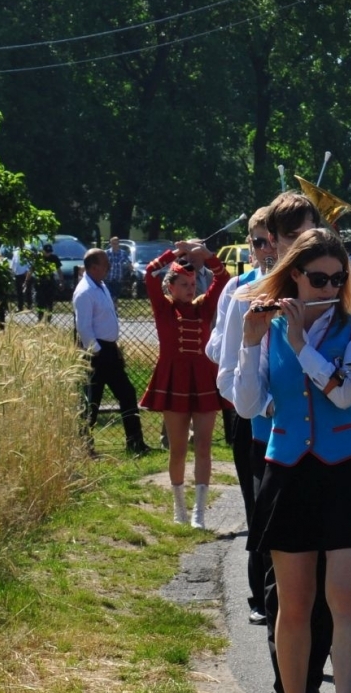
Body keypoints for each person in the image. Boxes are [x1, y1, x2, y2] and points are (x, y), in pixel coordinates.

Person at [234, 228, 351, 693]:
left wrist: (302, 345)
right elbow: (248, 405)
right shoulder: (262, 321)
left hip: (346, 469)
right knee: (293, 601)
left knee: (346, 596)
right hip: (287, 468)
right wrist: (252, 344)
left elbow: (346, 395)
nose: (328, 287)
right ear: (294, 274)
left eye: (337, 278)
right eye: (318, 277)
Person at [207, 209, 276, 624]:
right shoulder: (238, 288)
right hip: (251, 416)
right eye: (259, 243)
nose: (267, 250)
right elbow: (218, 350)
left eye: (274, 241)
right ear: (250, 248)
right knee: (257, 509)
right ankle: (259, 594)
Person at [142, 238, 230, 528]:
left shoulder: (203, 307)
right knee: (177, 448)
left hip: (204, 379)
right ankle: (179, 507)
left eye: (193, 286)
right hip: (174, 381)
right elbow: (149, 273)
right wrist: (176, 252)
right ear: (171, 286)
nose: (191, 290)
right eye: (184, 285)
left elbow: (223, 277)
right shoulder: (164, 307)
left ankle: (199, 513)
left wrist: (207, 254)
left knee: (203, 446)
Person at [72, 247, 152, 454]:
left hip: (108, 349)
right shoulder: (84, 291)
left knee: (127, 393)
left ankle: (135, 442)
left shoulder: (101, 286)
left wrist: (112, 347)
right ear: (93, 266)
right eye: (105, 263)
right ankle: (84, 448)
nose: (109, 267)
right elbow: (83, 327)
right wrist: (97, 350)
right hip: (96, 352)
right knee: (91, 401)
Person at [34, 243, 61, 322]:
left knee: (49, 302)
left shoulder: (54, 258)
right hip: (40, 282)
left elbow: (59, 270)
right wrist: (26, 281)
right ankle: (40, 318)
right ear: (43, 251)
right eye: (47, 252)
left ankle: (48, 319)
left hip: (50, 282)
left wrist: (61, 281)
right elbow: (31, 270)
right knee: (40, 301)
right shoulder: (39, 258)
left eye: (50, 252)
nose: (48, 253)